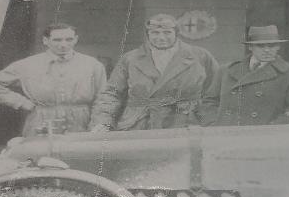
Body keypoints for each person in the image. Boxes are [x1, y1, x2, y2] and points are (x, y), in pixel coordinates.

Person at [90, 14, 219, 131]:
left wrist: (209, 123)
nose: (161, 38)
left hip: (185, 123)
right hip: (140, 123)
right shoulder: (130, 59)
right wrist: (103, 121)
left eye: (167, 32)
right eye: (155, 33)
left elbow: (214, 94)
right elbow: (112, 93)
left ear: (176, 33)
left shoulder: (200, 56)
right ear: (148, 34)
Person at [0, 23, 106, 136]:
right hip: (42, 120)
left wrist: (98, 123)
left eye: (69, 39)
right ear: (45, 40)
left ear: (76, 39)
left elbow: (102, 98)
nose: (63, 45)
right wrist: (22, 102)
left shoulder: (92, 65)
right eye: (57, 40)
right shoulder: (27, 65)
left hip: (81, 122)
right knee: (40, 152)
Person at [211, 25, 289, 126]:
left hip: (263, 135)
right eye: (260, 46)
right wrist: (212, 124)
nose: (267, 50)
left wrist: (267, 131)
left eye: (271, 45)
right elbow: (208, 103)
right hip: (223, 134)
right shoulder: (225, 70)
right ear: (250, 47)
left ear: (278, 47)